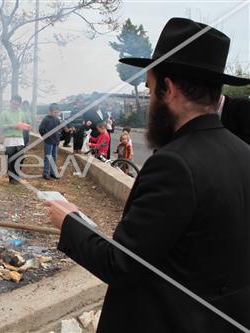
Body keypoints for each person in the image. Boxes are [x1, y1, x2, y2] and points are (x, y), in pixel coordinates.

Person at [44, 18, 250, 333]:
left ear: (167, 88)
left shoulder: (174, 165)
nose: (149, 98)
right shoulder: (242, 152)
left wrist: (71, 221)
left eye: (150, 87)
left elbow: (121, 263)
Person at [0, 95, 31, 184]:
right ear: (10, 102)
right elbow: (1, 126)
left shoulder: (21, 113)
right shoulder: (4, 113)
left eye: (17, 104)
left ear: (19, 104)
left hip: (19, 138)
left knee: (20, 158)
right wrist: (13, 125)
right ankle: (12, 178)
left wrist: (26, 126)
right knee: (10, 159)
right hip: (9, 139)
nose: (15, 106)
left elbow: (25, 123)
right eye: (13, 104)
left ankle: (16, 176)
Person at [38, 103, 61, 180]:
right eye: (55, 112)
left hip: (55, 142)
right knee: (48, 157)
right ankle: (46, 173)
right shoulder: (46, 119)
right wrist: (46, 137)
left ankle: (53, 173)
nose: (56, 114)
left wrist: (58, 138)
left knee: (54, 157)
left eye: (57, 112)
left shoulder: (57, 120)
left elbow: (59, 130)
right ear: (50, 112)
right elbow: (41, 129)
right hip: (48, 142)